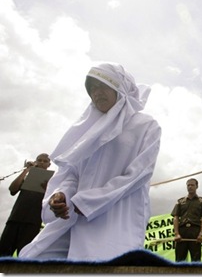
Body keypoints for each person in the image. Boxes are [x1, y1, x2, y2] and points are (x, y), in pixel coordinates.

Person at [19, 62, 161, 261]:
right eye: (92, 88)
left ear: (120, 88)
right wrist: (61, 195)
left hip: (114, 218)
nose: (96, 93)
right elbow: (73, 174)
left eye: (103, 86)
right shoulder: (87, 129)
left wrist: (89, 201)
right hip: (73, 217)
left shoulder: (145, 126)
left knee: (102, 267)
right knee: (34, 260)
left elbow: (138, 174)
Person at [0, 154, 51, 256]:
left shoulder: (52, 181)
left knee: (25, 255)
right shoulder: (27, 177)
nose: (41, 162)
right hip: (15, 219)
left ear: (49, 164)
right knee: (3, 252)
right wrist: (27, 170)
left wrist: (47, 189)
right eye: (39, 160)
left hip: (33, 222)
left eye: (44, 161)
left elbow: (50, 201)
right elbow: (13, 189)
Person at [171, 178, 202, 262]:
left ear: (196, 186)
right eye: (188, 185)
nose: (190, 187)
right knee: (179, 260)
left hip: (195, 232)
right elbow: (175, 217)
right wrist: (177, 233)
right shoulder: (180, 201)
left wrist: (201, 234)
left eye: (192, 185)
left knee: (196, 261)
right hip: (182, 232)